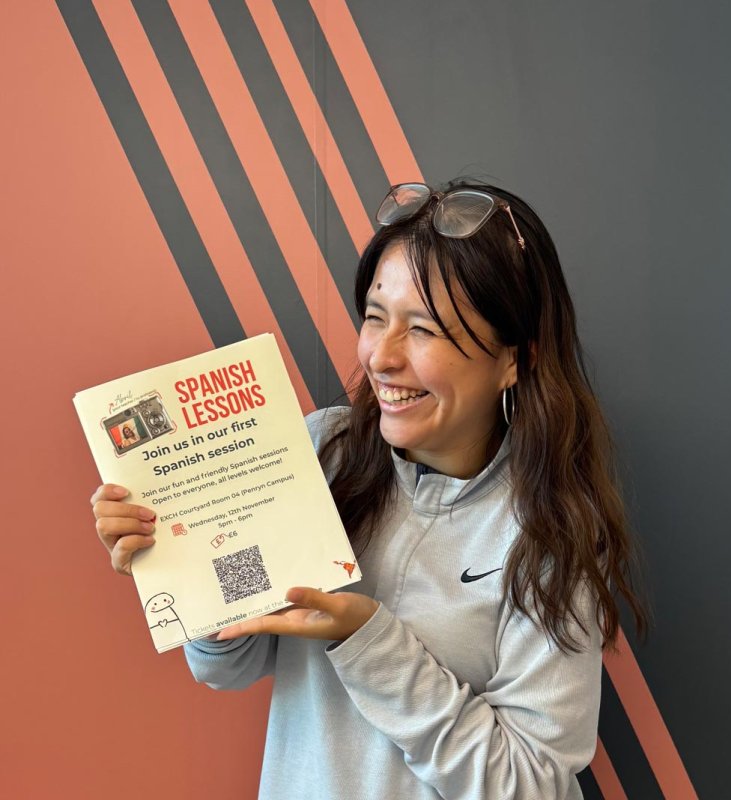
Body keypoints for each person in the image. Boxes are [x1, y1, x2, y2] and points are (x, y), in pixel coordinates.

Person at [91, 180, 647, 800]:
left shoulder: (550, 533)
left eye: (424, 329)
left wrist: (368, 642)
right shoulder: (321, 451)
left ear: (516, 358)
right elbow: (227, 667)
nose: (381, 357)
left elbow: (531, 785)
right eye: (376, 317)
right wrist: (187, 562)